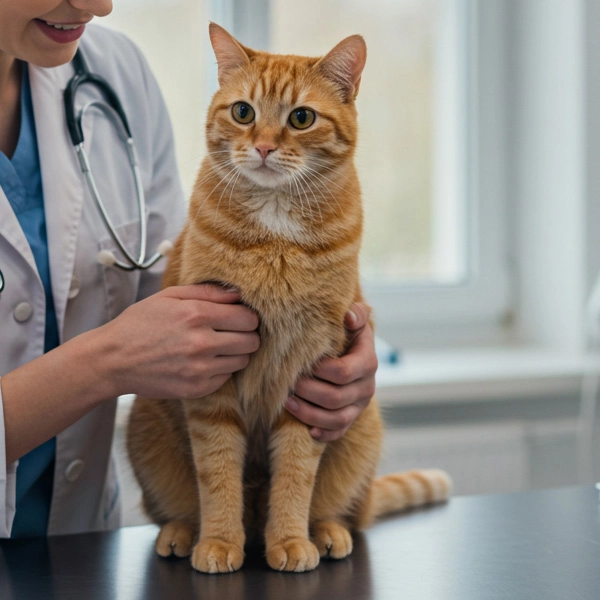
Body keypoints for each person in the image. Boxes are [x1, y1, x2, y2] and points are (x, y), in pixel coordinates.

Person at [0, 0, 378, 538]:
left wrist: (337, 344)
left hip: (79, 540)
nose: (100, 6)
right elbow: (141, 344)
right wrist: (106, 363)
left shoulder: (115, 73)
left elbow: (172, 289)